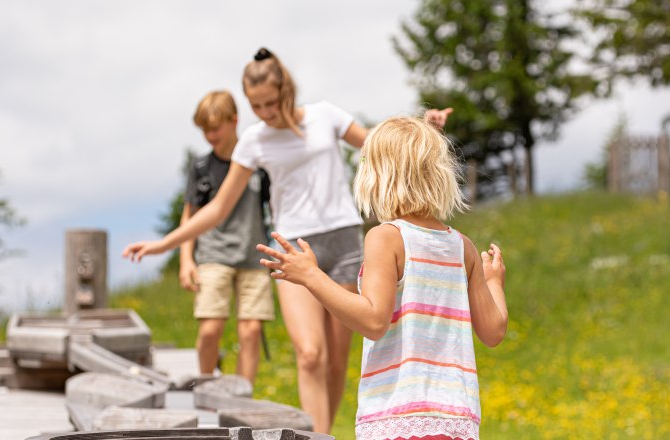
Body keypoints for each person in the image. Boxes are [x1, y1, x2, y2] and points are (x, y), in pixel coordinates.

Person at [123, 47, 452, 433]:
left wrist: (424, 128)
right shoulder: (253, 141)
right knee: (310, 354)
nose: (265, 112)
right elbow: (217, 208)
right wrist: (165, 245)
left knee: (334, 361)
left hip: (343, 241)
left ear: (287, 91)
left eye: (271, 102)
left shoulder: (325, 116)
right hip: (294, 248)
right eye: (256, 105)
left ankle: (324, 432)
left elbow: (380, 145)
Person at [256, 116, 509, 440]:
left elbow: (374, 320)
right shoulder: (463, 247)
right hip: (456, 420)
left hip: (398, 416)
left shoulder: (386, 238)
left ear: (378, 176)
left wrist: (311, 276)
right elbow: (493, 332)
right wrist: (494, 284)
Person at [179, 90, 274, 385]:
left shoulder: (259, 164)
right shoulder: (201, 167)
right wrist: (186, 260)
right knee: (210, 329)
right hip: (213, 255)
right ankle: (206, 388)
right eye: (204, 129)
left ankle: (242, 397)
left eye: (215, 127)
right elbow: (190, 216)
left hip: (253, 255)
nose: (209, 135)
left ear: (235, 121)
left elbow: (275, 207)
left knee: (251, 331)